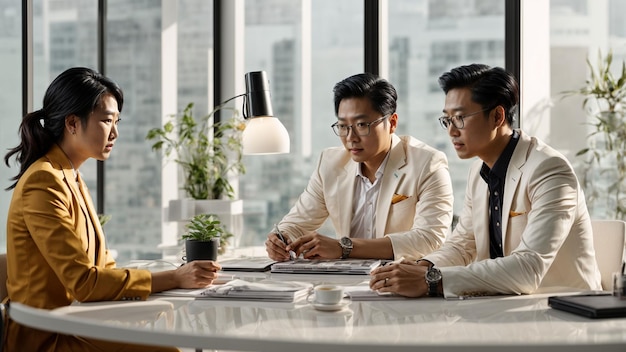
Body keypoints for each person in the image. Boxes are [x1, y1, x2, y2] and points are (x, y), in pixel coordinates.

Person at [3, 67, 221, 352]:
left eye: (117, 121)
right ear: (72, 123)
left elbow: (102, 269)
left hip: (77, 322)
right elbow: (84, 282)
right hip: (49, 337)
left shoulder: (72, 177)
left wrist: (173, 277)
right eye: (106, 120)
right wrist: (174, 277)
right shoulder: (43, 181)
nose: (115, 132)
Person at [370, 64, 602, 298]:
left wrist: (432, 280)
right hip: (501, 307)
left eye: (460, 118)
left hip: (564, 313)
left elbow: (528, 268)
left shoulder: (549, 170)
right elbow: (462, 245)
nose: (451, 130)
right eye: (447, 119)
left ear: (497, 116)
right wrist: (422, 266)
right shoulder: (478, 171)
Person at [265, 73, 454, 262]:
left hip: (402, 279)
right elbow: (297, 223)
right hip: (346, 281)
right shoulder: (330, 163)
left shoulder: (428, 163)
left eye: (362, 125)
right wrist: (281, 239)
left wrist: (343, 248)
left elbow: (430, 238)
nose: (351, 137)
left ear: (392, 123)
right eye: (343, 126)